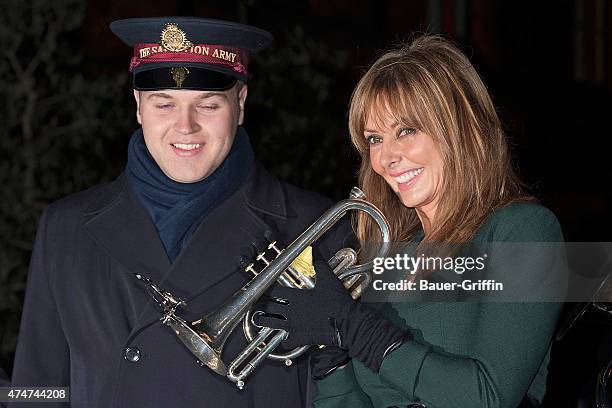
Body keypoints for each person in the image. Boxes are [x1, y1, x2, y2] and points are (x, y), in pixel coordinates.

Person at [9, 17, 352, 407]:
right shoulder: (64, 228)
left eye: (206, 104)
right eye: (164, 104)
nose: (185, 126)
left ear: (239, 104)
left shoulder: (318, 227)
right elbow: (37, 388)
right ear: (138, 106)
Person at [258, 34, 565, 408]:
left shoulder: (522, 230)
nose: (386, 157)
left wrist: (351, 326)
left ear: (459, 127)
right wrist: (331, 361)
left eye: (406, 131)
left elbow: (488, 396)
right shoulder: (384, 257)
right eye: (374, 139)